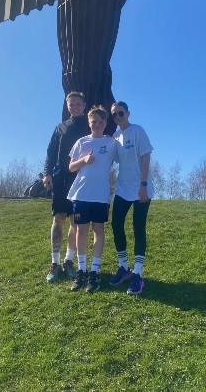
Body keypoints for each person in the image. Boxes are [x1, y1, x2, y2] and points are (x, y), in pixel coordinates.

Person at [66, 106, 118, 292]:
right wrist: (84, 160)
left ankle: (94, 273)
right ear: (89, 123)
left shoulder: (111, 143)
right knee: (81, 232)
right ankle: (82, 271)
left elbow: (126, 155)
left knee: (98, 231)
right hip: (81, 194)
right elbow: (71, 167)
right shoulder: (82, 142)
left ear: (106, 123)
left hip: (101, 196)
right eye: (93, 121)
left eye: (101, 121)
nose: (97, 124)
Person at [44, 92, 90, 283]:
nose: (75, 107)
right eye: (71, 105)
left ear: (84, 105)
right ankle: (54, 263)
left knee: (75, 222)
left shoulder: (90, 127)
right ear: (67, 106)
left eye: (78, 104)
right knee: (59, 219)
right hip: (61, 177)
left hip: (81, 178)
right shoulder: (60, 127)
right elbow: (50, 153)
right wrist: (47, 173)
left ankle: (69, 261)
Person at [108, 101, 153, 295]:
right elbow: (110, 159)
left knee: (138, 227)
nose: (118, 117)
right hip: (122, 190)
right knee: (116, 224)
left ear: (128, 113)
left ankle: (138, 274)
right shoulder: (115, 137)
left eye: (121, 113)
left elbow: (146, 157)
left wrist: (143, 185)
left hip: (141, 189)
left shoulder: (138, 131)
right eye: (114, 115)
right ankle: (123, 267)